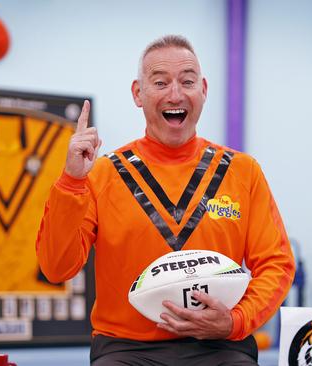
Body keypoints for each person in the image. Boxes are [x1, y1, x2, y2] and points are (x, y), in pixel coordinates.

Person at [36, 34, 295, 365]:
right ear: (138, 94)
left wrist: (236, 320)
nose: (176, 94)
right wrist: (72, 181)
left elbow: (277, 264)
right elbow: (56, 268)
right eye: (160, 82)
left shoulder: (243, 171)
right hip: (126, 349)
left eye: (187, 82)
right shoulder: (102, 174)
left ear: (203, 89)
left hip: (221, 345)